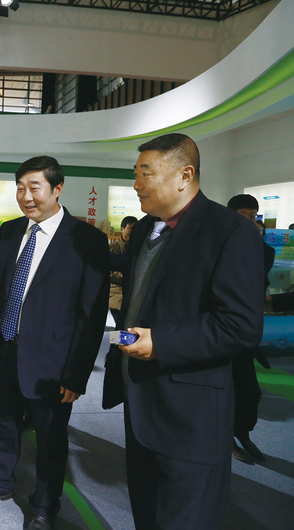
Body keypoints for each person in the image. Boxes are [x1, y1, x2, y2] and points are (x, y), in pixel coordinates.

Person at [102, 134, 264, 530]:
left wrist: (161, 343)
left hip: (190, 417)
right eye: (135, 174)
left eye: (146, 174)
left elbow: (240, 326)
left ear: (185, 175)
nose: (136, 184)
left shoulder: (229, 231)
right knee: (146, 515)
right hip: (140, 403)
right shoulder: (144, 229)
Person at [0, 156, 109, 530]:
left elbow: (91, 314)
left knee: (50, 436)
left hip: (52, 361)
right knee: (3, 422)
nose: (26, 197)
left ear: (57, 189)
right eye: (20, 188)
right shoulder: (10, 232)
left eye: (35, 188)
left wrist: (76, 374)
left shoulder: (87, 239)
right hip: (5, 347)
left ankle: (45, 504)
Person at [226, 194, 274, 462]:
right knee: (226, 388)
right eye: (242, 215)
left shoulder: (264, 250)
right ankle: (227, 438)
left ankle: (242, 433)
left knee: (249, 391)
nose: (248, 220)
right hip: (220, 326)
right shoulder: (216, 242)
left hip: (246, 328)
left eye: (252, 216)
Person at [108, 216, 138, 314]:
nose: (133, 232)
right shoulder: (111, 248)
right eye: (130, 228)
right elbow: (105, 272)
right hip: (115, 292)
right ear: (122, 229)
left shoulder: (138, 250)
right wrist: (123, 275)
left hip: (132, 292)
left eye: (135, 229)